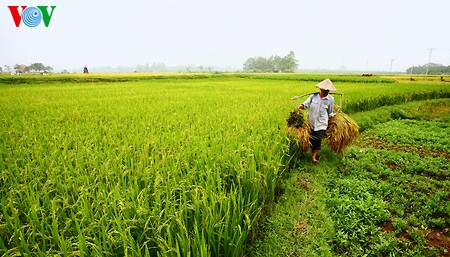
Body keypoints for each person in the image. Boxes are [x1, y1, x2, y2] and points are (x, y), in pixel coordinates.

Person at [297, 79, 336, 163]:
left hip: (322, 123)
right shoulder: (313, 96)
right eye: (324, 89)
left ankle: (313, 157)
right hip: (311, 121)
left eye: (327, 90)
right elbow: (305, 105)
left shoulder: (330, 99)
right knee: (312, 139)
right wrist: (300, 107)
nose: (325, 91)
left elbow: (330, 112)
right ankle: (311, 152)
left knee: (318, 139)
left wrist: (331, 121)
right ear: (320, 89)